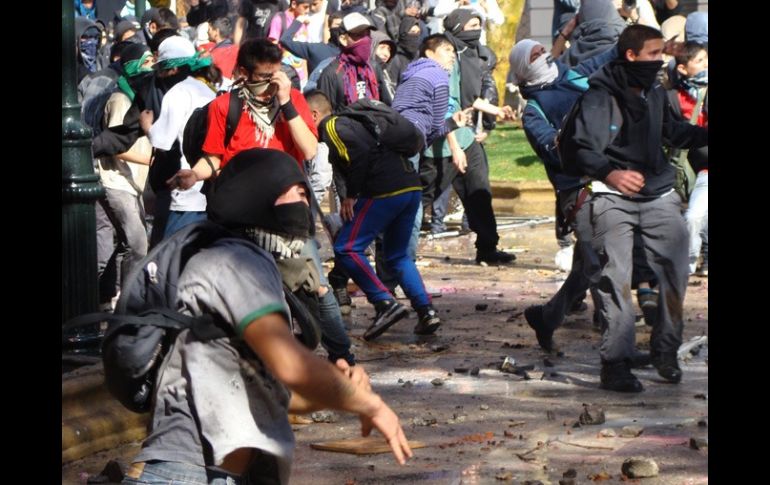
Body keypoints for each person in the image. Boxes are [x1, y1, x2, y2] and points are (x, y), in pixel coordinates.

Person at [122, 148, 412, 485]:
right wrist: (369, 403)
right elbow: (291, 365)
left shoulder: (250, 266)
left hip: (217, 474)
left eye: (306, 194)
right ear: (258, 193)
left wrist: (338, 388)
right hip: (185, 474)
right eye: (297, 193)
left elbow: (275, 393)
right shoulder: (235, 262)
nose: (305, 204)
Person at [569, 24, 707, 392]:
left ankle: (665, 351)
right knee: (615, 279)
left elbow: (674, 132)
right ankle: (615, 364)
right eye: (653, 53)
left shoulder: (656, 92)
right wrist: (611, 173)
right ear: (631, 55)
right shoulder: (599, 95)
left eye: (663, 53)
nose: (661, 60)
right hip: (610, 197)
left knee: (675, 272)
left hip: (658, 195)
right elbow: (583, 148)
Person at [317, 96, 443, 340]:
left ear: (314, 114)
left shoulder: (331, 124)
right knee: (398, 256)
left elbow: (359, 155)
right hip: (410, 185)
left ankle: (384, 303)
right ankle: (426, 311)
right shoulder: (360, 122)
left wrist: (351, 195)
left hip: (385, 189)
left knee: (346, 248)